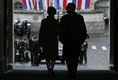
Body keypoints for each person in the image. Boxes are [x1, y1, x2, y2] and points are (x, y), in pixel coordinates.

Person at [59, 3, 87, 80]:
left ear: (70, 8)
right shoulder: (80, 18)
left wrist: (62, 40)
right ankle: (73, 72)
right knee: (75, 58)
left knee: (68, 58)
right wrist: (81, 41)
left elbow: (60, 30)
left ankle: (70, 72)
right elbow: (83, 31)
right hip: (77, 42)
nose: (66, 9)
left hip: (67, 42)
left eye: (67, 8)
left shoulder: (64, 18)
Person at [39, 7, 60, 77]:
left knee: (47, 57)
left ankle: (48, 70)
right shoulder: (56, 22)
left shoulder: (44, 21)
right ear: (54, 13)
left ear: (48, 12)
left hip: (46, 41)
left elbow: (41, 32)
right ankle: (52, 68)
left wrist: (40, 42)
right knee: (53, 57)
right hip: (54, 40)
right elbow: (58, 32)